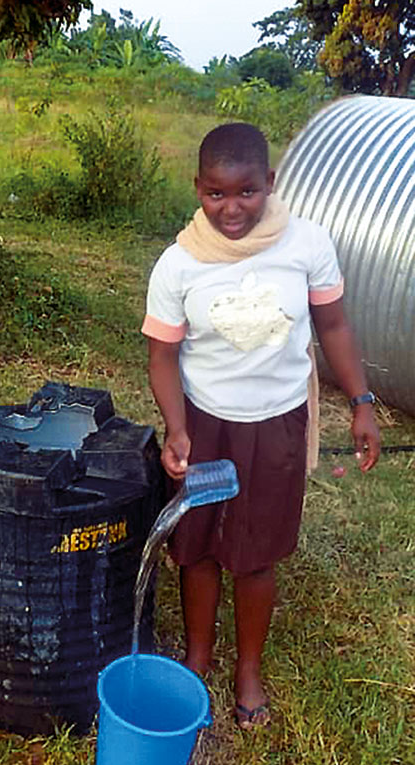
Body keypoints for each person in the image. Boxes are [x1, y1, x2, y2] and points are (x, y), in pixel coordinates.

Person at [143, 122, 380, 729]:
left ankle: (248, 667)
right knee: (195, 547)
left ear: (269, 183)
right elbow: (163, 357)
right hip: (203, 422)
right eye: (216, 194)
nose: (231, 208)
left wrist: (361, 401)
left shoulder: (306, 245)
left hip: (275, 424)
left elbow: (333, 327)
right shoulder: (179, 264)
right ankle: (198, 655)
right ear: (198, 187)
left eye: (246, 192)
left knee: (256, 553)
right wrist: (176, 428)